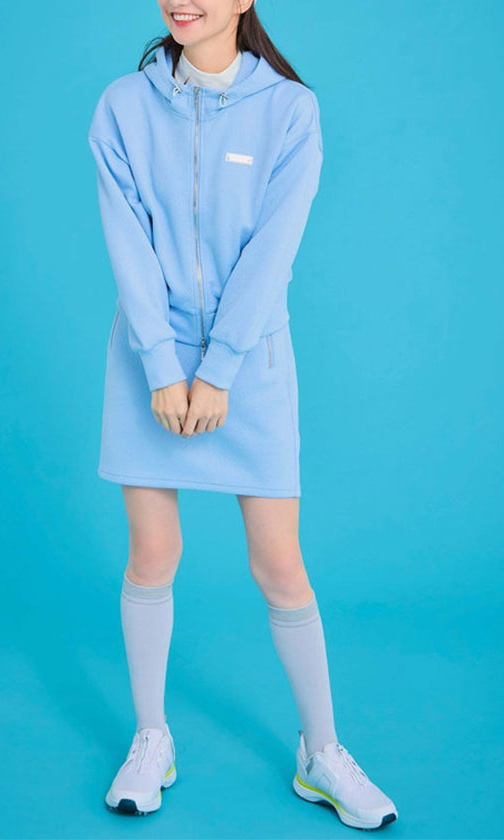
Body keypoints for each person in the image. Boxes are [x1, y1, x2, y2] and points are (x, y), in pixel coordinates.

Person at [87, 0, 398, 830]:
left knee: (280, 567)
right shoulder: (122, 106)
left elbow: (273, 250)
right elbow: (127, 241)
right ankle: (151, 737)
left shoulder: (291, 110)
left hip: (250, 364)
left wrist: (218, 370)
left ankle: (321, 752)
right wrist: (163, 367)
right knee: (153, 555)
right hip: (147, 363)